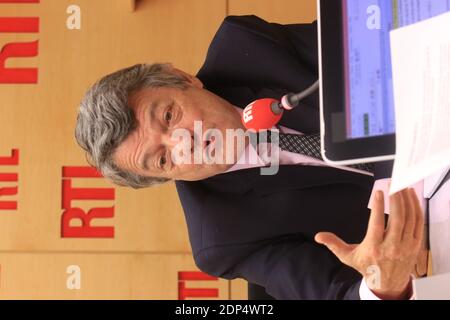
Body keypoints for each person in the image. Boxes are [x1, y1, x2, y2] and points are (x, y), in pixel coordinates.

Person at [75, 15, 425, 299]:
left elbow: (381, 40)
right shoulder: (223, 238)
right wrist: (382, 284)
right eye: (164, 159)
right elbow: (339, 295)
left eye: (169, 117)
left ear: (184, 79)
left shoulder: (245, 47)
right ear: (167, 178)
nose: (185, 143)